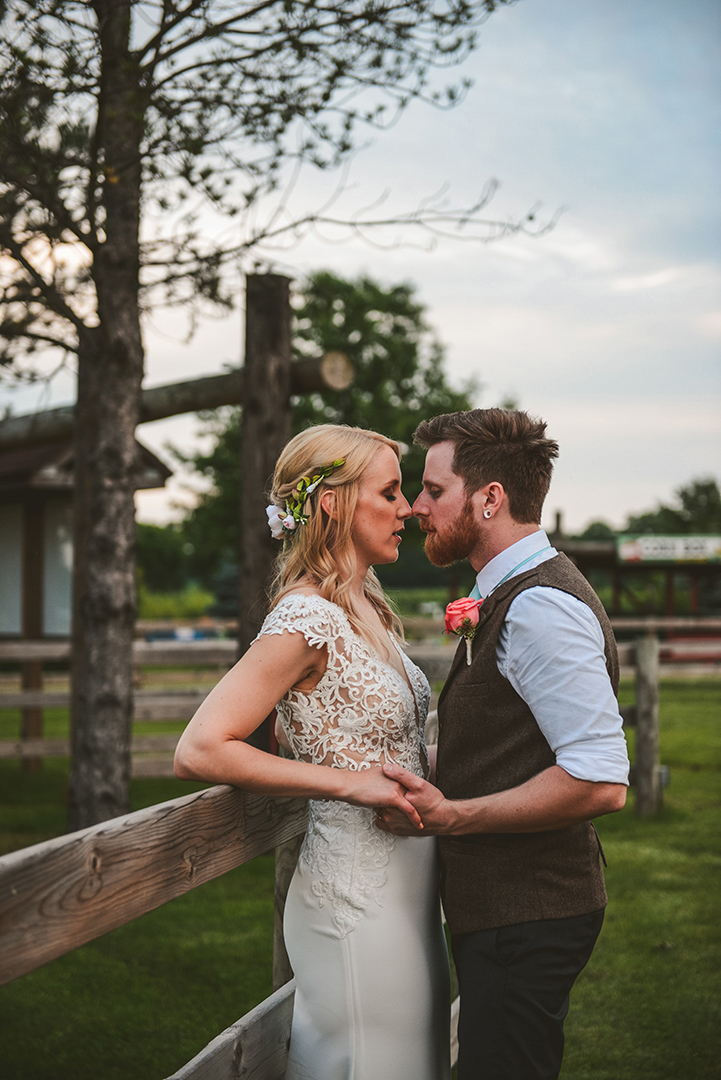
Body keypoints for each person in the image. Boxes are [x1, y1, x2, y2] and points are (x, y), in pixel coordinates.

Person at [174, 424, 451, 1080]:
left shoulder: (368, 610)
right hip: (354, 898)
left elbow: (391, 746)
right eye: (389, 491)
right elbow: (201, 748)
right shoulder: (307, 618)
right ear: (333, 503)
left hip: (412, 891)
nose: (407, 507)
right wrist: (350, 785)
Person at [377, 408, 630, 1080]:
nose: (415, 508)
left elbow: (598, 780)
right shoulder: (508, 595)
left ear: (489, 498)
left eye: (433, 490)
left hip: (529, 913)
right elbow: (507, 744)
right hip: (504, 909)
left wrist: (455, 816)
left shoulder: (539, 607)